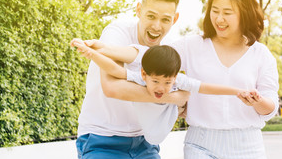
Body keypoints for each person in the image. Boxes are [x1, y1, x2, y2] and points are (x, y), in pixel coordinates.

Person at [75, 0, 186, 159]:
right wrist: (168, 97)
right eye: (151, 16)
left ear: (175, 19)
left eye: (165, 19)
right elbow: (113, 88)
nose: (156, 26)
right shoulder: (116, 33)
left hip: (142, 143)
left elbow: (184, 94)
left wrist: (175, 99)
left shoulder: (169, 50)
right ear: (138, 10)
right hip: (100, 140)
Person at [171, 0, 279, 159]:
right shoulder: (192, 46)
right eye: (215, 10)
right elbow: (154, 59)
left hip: (245, 145)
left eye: (227, 12)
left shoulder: (261, 55)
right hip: (202, 143)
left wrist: (258, 102)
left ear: (244, 14)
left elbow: (270, 106)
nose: (219, 18)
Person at [71, 40, 246, 145]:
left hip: (165, 122)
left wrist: (237, 91)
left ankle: (177, 110)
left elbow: (207, 87)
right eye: (155, 81)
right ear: (144, 74)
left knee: (183, 96)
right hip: (148, 130)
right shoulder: (141, 79)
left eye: (167, 82)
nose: (161, 88)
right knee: (174, 96)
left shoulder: (178, 80)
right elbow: (115, 70)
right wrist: (91, 54)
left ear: (175, 76)